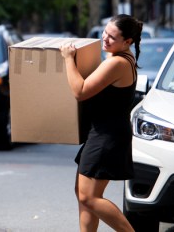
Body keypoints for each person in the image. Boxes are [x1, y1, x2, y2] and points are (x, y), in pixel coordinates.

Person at [60, 14, 142, 232]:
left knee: (89, 197)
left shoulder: (117, 63)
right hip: (103, 132)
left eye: (112, 37)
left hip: (107, 136)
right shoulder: (122, 58)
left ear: (128, 42)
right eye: (105, 33)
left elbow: (80, 91)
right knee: (83, 195)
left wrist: (69, 58)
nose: (105, 39)